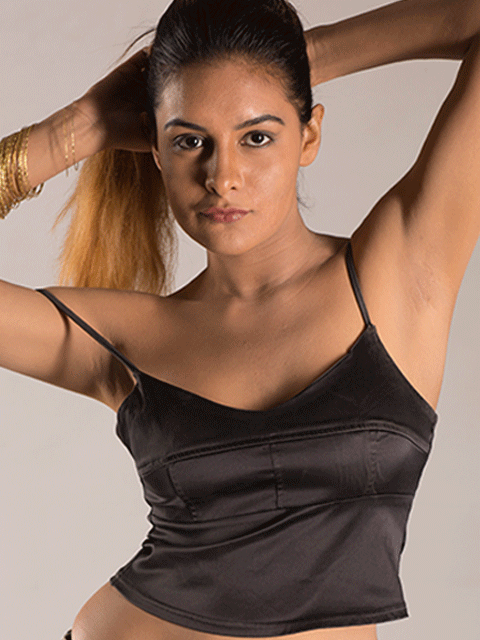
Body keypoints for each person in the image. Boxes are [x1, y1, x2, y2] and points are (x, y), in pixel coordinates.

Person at [1, 0, 479, 638]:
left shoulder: (400, 273)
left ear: (308, 135)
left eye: (257, 136)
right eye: (189, 141)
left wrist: (306, 58)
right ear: (155, 150)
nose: (222, 177)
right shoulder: (120, 338)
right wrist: (74, 131)